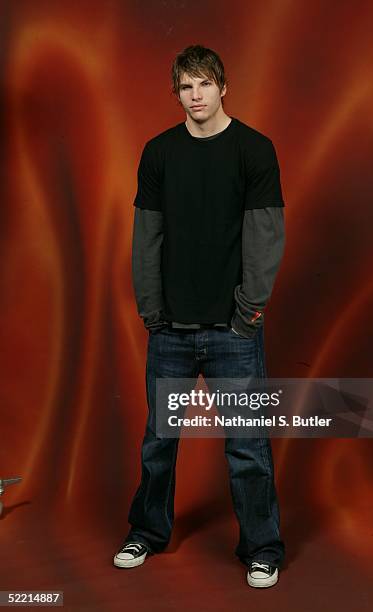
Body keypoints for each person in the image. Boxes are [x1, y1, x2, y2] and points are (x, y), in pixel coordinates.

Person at [113, 44, 286, 589]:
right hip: (171, 329)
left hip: (234, 329)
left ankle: (262, 548)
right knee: (159, 442)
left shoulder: (254, 149)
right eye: (186, 87)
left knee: (247, 447)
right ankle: (147, 531)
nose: (196, 96)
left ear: (223, 86)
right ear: (178, 94)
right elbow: (147, 237)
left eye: (204, 84)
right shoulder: (159, 152)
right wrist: (152, 311)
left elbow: (265, 237)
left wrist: (249, 313)